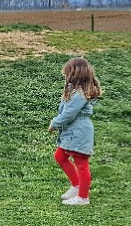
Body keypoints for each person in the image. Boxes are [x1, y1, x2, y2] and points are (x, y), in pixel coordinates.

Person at [48, 57, 103, 206]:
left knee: (81, 164)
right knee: (60, 156)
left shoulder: (80, 94)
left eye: (68, 73)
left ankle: (83, 197)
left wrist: (54, 123)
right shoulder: (74, 90)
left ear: (75, 74)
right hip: (72, 131)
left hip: (79, 132)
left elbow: (69, 114)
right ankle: (76, 185)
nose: (66, 76)